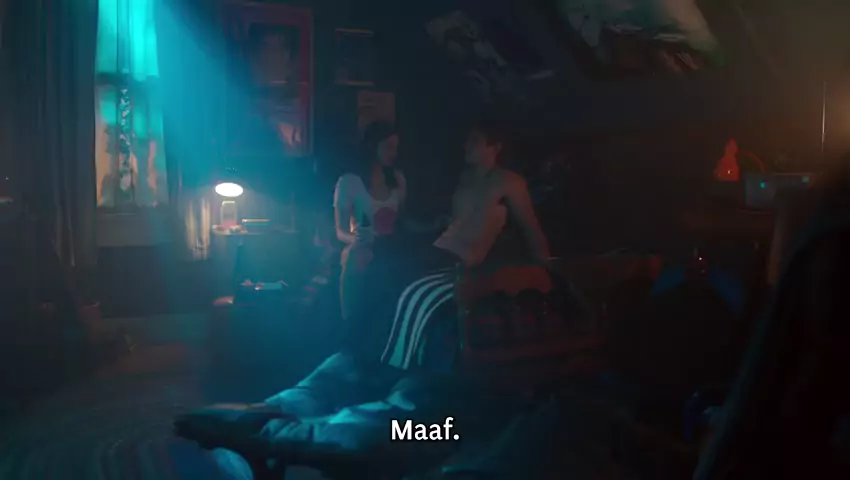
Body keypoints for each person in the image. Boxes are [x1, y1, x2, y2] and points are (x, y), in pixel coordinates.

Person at [333, 121, 406, 351]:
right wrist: (356, 239)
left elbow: (402, 220)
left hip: (392, 245)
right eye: (388, 146)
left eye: (396, 147)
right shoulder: (349, 182)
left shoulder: (397, 179)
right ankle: (351, 329)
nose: (393, 153)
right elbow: (339, 230)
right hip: (363, 244)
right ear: (373, 146)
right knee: (355, 257)